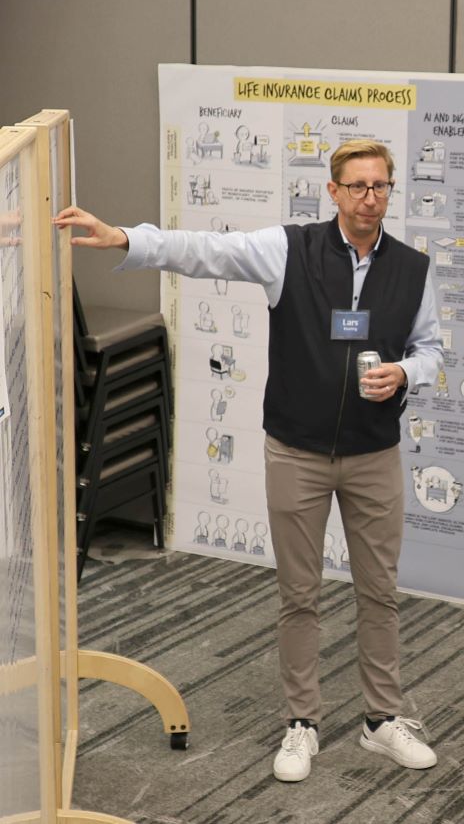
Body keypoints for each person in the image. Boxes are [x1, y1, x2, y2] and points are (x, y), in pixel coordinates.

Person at [54, 139, 443, 783]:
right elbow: (203, 250)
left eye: (380, 187)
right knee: (300, 593)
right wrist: (123, 238)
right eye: (357, 186)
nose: (369, 198)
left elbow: (430, 349)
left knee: (380, 592)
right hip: (296, 452)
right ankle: (302, 722)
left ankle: (382, 720)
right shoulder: (288, 250)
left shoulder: (412, 268)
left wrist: (407, 371)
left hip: (375, 455)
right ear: (333, 191)